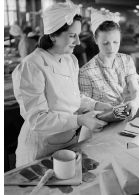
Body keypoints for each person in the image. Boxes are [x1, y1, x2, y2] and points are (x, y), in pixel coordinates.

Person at [12, 2, 112, 167]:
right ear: (52, 35)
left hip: (67, 142)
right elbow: (38, 119)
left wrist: (99, 105)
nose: (78, 42)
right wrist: (80, 120)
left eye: (78, 35)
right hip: (40, 148)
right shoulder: (32, 66)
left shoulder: (69, 59)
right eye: (72, 35)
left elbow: (72, 97)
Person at [79, 9, 139, 119]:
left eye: (115, 42)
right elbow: (84, 108)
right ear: (95, 39)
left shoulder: (126, 60)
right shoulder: (86, 72)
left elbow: (135, 89)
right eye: (105, 43)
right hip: (99, 124)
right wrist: (104, 110)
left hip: (125, 118)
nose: (111, 48)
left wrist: (135, 102)